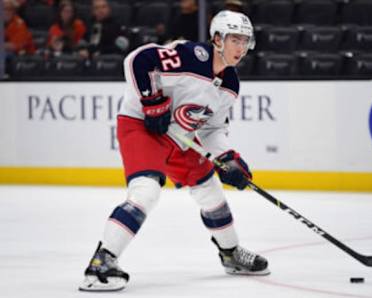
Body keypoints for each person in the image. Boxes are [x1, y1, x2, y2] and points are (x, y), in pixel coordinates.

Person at [78, 10, 267, 292]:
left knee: (211, 191)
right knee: (146, 192)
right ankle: (101, 263)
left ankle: (231, 254)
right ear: (217, 39)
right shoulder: (191, 56)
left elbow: (211, 130)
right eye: (235, 40)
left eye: (245, 41)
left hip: (181, 137)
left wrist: (229, 159)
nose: (241, 48)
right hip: (142, 126)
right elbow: (137, 60)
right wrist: (152, 101)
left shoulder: (231, 84)